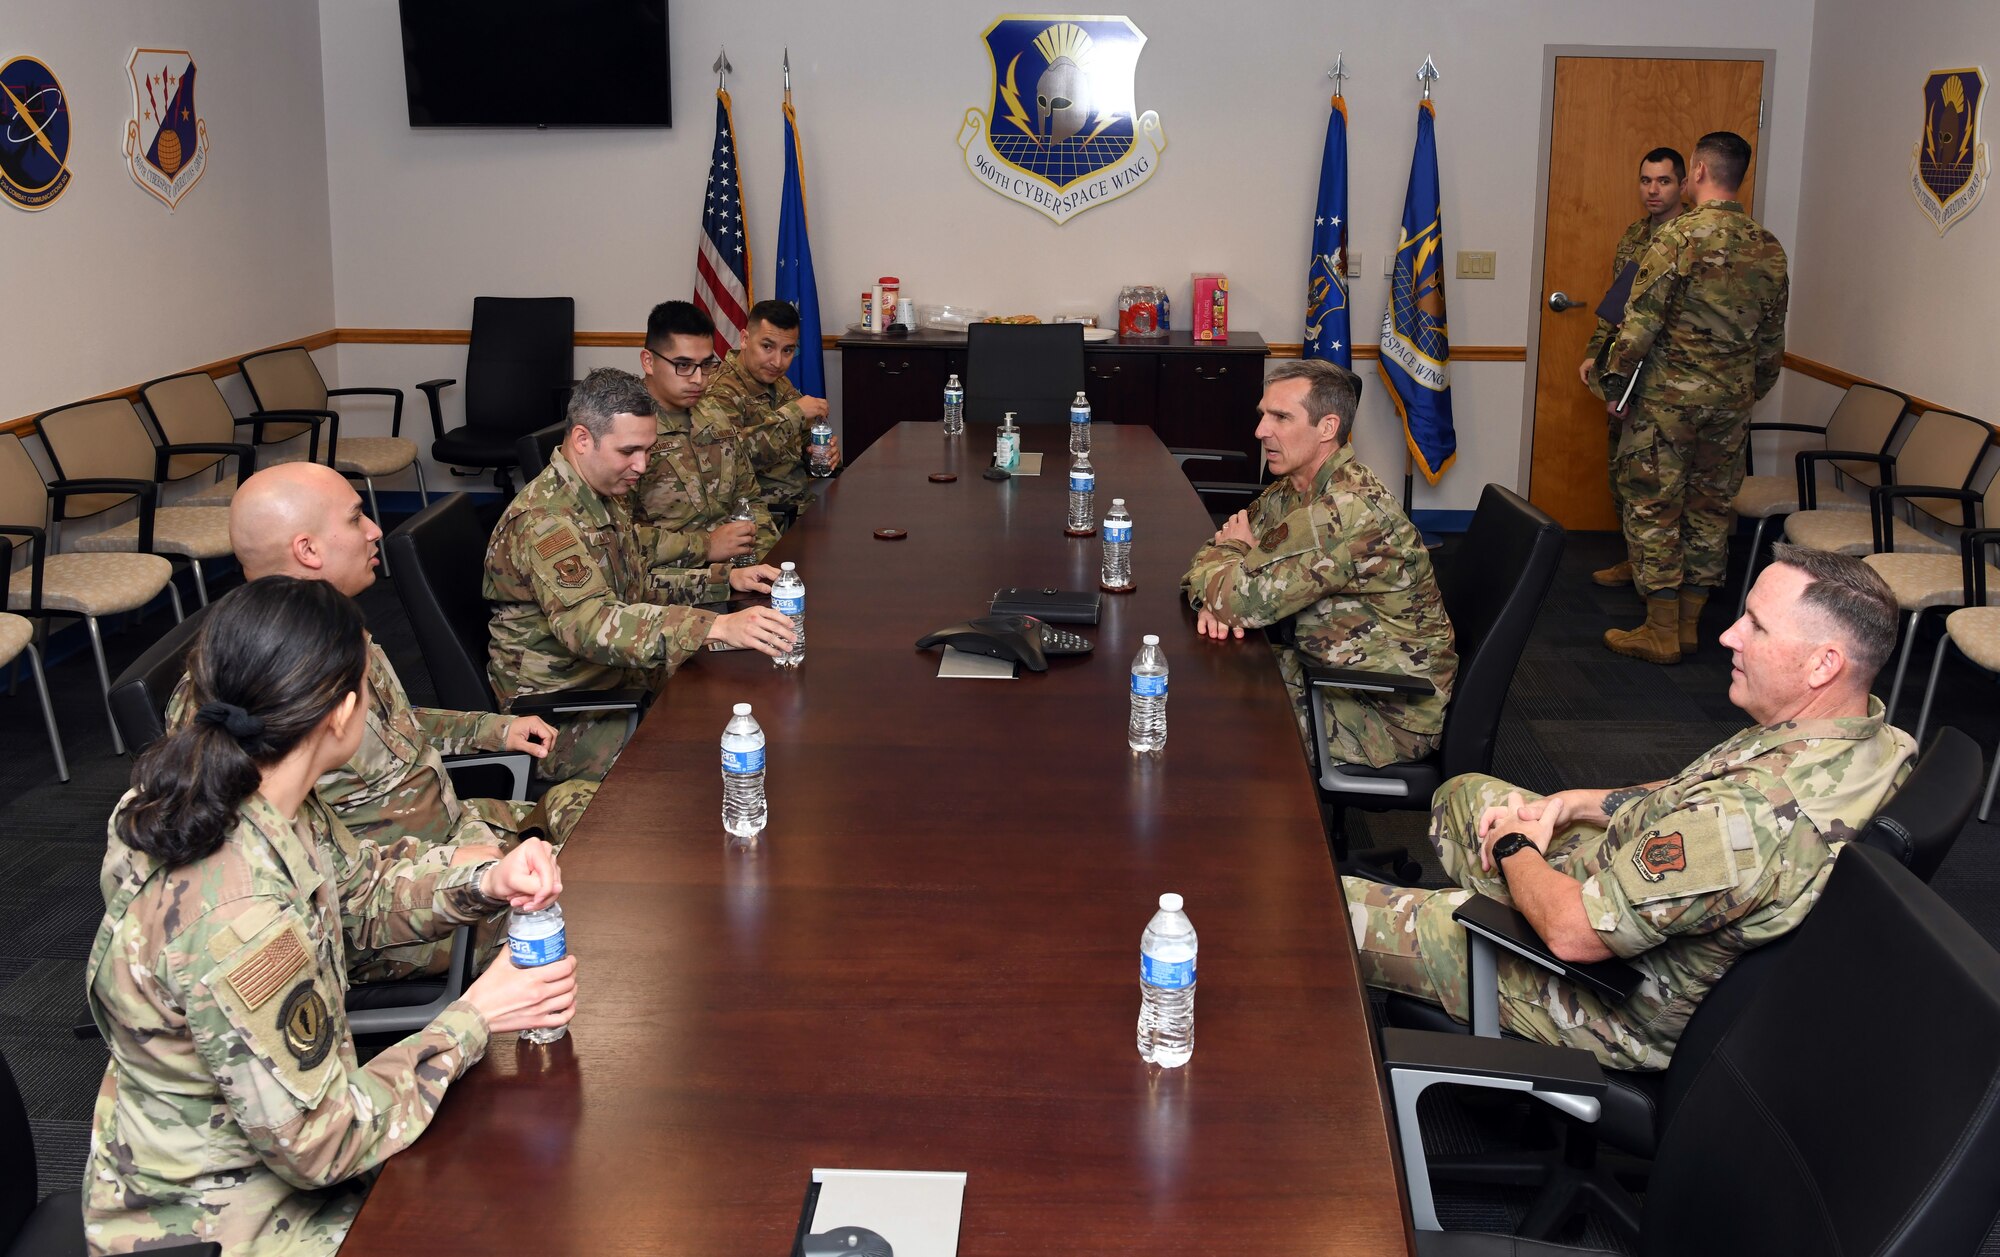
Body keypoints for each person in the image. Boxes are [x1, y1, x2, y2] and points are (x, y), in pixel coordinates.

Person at [85, 576, 580, 1254]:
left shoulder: (230, 791)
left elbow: (360, 895)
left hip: (260, 1152)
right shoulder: (242, 919)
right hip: (228, 1220)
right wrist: (477, 1017)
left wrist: (484, 879)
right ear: (343, 713)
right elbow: (324, 1143)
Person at [1344, 546, 1913, 1072]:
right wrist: (1576, 804)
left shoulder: (1747, 819)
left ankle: (1475, 914)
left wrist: (1517, 848)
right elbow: (1694, 789)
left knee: (1339, 917)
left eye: (1757, 626)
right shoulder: (1866, 738)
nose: (1728, 636)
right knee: (1463, 794)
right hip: (1637, 899)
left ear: (1823, 664)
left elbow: (1573, 934)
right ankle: (1500, 895)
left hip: (1607, 995)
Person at [165, 461, 595, 982]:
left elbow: (393, 725)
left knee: (608, 819)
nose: (375, 530)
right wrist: (459, 869)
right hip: (393, 905)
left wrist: (493, 730)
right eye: (355, 519)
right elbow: (317, 881)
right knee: (595, 905)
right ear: (308, 550)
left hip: (453, 832)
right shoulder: (249, 687)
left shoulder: (331, 632)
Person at [485, 367, 796, 782]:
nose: (642, 465)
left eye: (648, 450)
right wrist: (714, 626)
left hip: (616, 679)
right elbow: (591, 624)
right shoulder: (545, 523)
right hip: (561, 714)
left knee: (747, 697)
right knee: (705, 756)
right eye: (629, 451)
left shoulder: (601, 492)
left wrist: (723, 580)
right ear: (582, 440)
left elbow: (636, 585)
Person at [1181, 359, 1456, 767]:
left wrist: (1235, 560)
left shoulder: (1344, 512)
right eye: (1263, 416)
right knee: (1191, 674)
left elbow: (1233, 599)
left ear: (1327, 428)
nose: (1260, 431)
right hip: (1327, 670)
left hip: (1384, 713)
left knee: (1199, 715)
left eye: (1280, 417)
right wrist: (1231, 566)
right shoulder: (1293, 489)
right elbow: (1205, 560)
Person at [1597, 131, 1790, 664]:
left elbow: (1639, 326)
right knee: (1709, 510)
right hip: (1730, 406)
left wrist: (1615, 388)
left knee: (1654, 507)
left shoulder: (1678, 238)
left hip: (1667, 405)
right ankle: (1688, 626)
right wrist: (1744, 394)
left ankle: (1659, 629)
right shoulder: (1769, 247)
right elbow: (1771, 345)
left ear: (1698, 172)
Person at [1578, 146, 1688, 591]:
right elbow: (1617, 303)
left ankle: (1667, 583)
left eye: (1663, 181)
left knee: (1663, 484)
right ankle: (1634, 559)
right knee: (1622, 470)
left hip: (1670, 375)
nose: (1653, 190)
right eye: (1646, 181)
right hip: (1626, 367)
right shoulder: (1634, 236)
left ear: (1683, 183)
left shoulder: (1692, 236)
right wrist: (1596, 352)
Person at [633, 300, 782, 577]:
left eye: (706, 365)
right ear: (648, 361)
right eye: (683, 365)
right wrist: (706, 546)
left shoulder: (713, 413)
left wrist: (766, 563)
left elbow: (748, 498)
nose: (698, 379)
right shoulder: (624, 429)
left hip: (737, 574)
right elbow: (619, 540)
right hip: (667, 587)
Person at [692, 298, 843, 525]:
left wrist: (821, 454)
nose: (777, 361)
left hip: (801, 506)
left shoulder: (778, 383)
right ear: (744, 339)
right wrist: (794, 414)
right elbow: (729, 460)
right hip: (760, 517)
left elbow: (803, 443)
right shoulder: (720, 390)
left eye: (788, 350)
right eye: (767, 347)